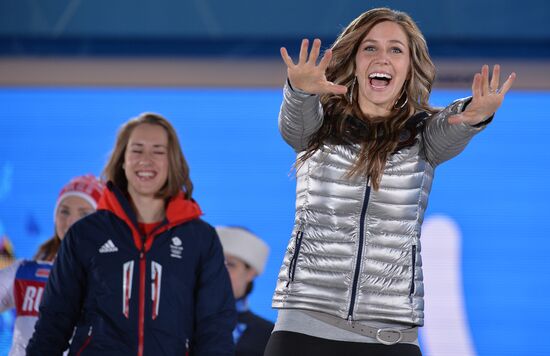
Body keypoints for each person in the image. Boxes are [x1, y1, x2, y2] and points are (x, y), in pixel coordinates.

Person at [265, 7, 515, 356]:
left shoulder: (424, 134)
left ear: (409, 67)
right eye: (370, 48)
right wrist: (299, 91)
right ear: (353, 61)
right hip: (304, 331)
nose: (382, 57)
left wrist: (472, 114)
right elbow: (294, 125)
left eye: (396, 49)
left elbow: (449, 128)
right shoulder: (318, 125)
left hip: (390, 338)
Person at [26, 113, 236, 355]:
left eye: (158, 151)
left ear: (173, 162)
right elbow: (54, 321)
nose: (146, 160)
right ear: (122, 161)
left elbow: (215, 329)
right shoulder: (85, 234)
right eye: (136, 150)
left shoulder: (200, 238)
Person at [0, 174, 104, 356]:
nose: (71, 221)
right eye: (64, 211)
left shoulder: (114, 280)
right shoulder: (26, 273)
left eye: (84, 213)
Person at [216, 226, 274, 356]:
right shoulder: (182, 321)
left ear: (250, 273)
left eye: (230, 264)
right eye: (214, 261)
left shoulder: (269, 335)